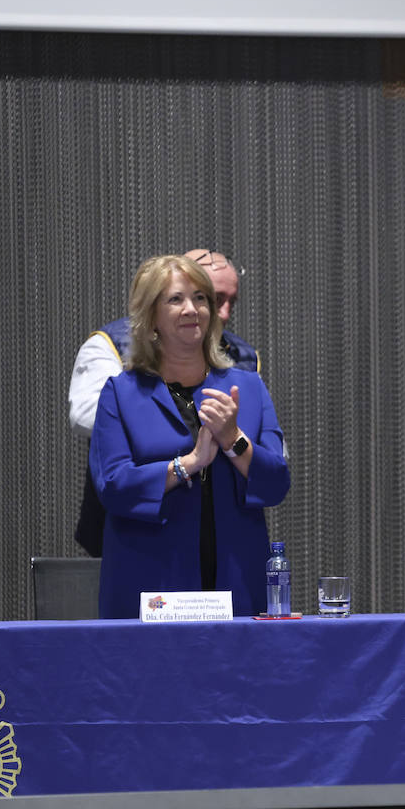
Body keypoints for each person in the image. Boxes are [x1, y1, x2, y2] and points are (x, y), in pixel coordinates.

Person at [89, 254, 289, 618]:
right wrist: (188, 464)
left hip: (238, 582)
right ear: (151, 317)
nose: (192, 309)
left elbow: (276, 483)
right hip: (149, 587)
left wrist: (233, 439)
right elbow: (113, 486)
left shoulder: (248, 388)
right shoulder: (121, 392)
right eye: (175, 299)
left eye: (200, 298)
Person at [70, 249, 259, 556]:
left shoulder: (244, 358)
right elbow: (84, 415)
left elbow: (267, 453)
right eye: (211, 296)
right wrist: (182, 443)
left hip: (221, 539)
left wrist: (233, 438)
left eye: (225, 302)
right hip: (136, 530)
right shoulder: (111, 345)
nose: (220, 312)